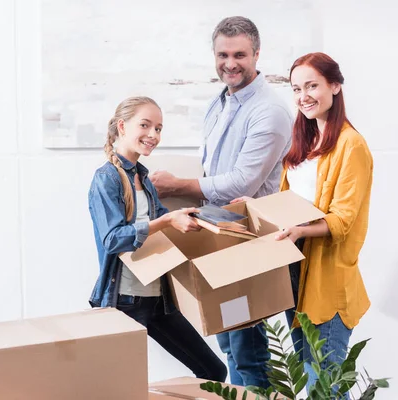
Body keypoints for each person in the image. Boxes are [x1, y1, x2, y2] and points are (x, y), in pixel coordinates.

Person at [150, 17, 293, 388]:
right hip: (216, 236)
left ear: (257, 55)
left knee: (247, 348)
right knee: (228, 340)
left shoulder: (269, 111)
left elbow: (242, 182)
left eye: (240, 55)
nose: (230, 63)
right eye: (223, 54)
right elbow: (213, 168)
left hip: (245, 242)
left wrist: (177, 185)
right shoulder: (221, 101)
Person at [237, 52, 373, 394]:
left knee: (323, 387)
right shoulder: (305, 141)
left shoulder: (351, 146)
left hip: (326, 281)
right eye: (297, 88)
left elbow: (341, 221)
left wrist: (300, 230)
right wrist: (256, 207)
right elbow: (289, 203)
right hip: (294, 271)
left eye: (312, 85)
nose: (303, 96)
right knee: (307, 374)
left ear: (335, 86)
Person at [88, 96, 227, 382]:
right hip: (124, 302)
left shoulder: (145, 179)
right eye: (145, 125)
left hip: (157, 299)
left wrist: (219, 214)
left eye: (159, 128)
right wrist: (165, 221)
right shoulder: (107, 178)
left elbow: (168, 223)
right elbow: (112, 239)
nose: (153, 135)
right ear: (122, 126)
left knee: (213, 371)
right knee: (125, 386)